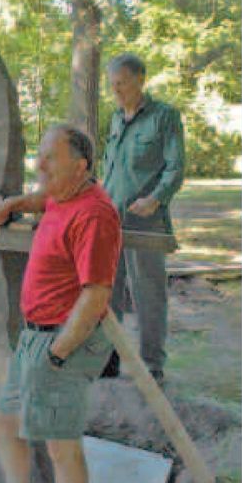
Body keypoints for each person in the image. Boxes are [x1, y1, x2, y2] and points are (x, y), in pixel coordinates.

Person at [0, 124, 121, 483]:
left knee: (60, 444)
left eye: (50, 157)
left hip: (63, 340)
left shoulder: (95, 214)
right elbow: (42, 198)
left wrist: (57, 355)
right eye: (41, 155)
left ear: (81, 164)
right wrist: (13, 204)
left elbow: (95, 296)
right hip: (36, 336)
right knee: (4, 422)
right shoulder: (62, 193)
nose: (40, 165)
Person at [101, 53, 185, 383]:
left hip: (145, 223)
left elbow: (175, 167)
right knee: (107, 292)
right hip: (110, 222)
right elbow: (110, 171)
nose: (116, 90)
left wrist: (155, 199)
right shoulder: (115, 119)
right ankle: (108, 359)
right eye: (112, 85)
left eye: (121, 83)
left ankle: (152, 364)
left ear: (140, 79)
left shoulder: (164, 117)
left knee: (148, 294)